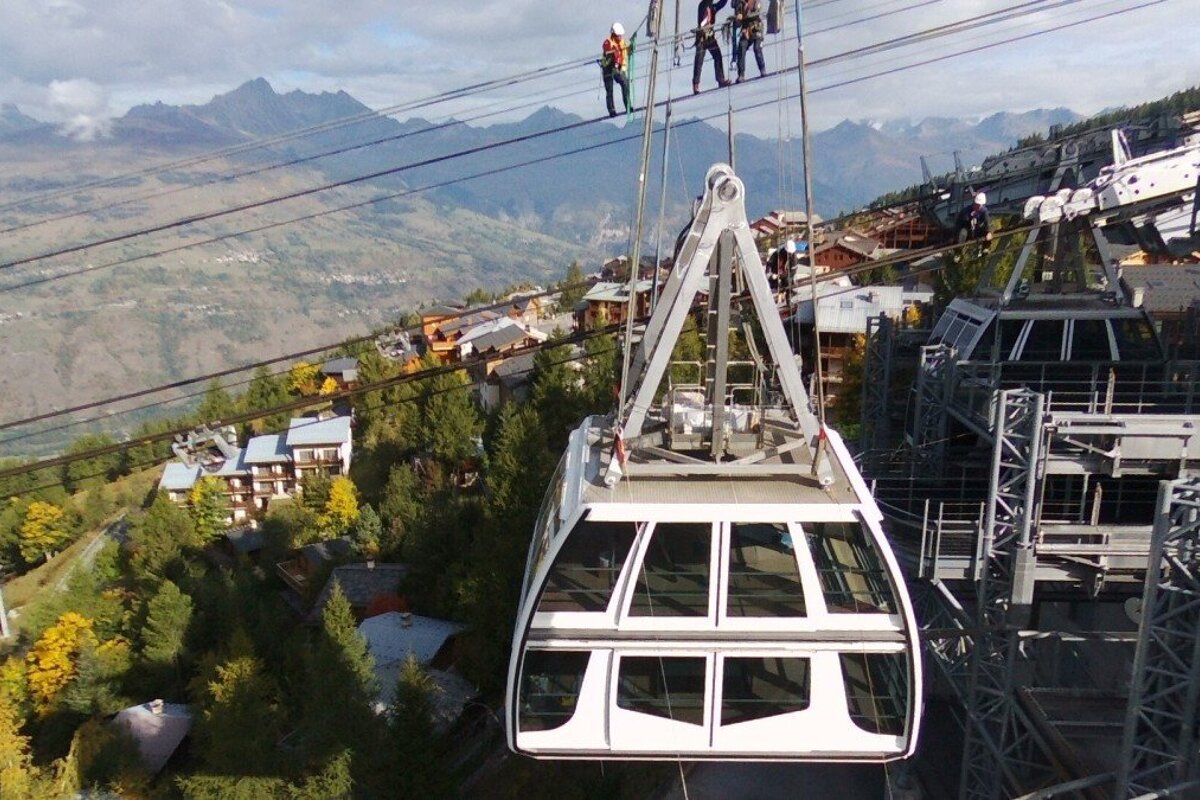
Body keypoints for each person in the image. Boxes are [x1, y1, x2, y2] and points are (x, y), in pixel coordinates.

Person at [693, 0, 731, 94]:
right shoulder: (703, 5)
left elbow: (721, 4)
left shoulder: (712, 7)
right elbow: (704, 15)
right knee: (699, 61)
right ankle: (695, 84)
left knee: (717, 56)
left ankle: (720, 79)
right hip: (702, 37)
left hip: (710, 37)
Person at [601, 23, 631, 118]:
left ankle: (628, 105)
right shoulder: (608, 42)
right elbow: (607, 51)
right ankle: (612, 110)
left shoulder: (622, 42)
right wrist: (615, 51)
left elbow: (627, 51)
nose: (620, 36)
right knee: (609, 90)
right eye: (619, 35)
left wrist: (631, 47)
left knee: (625, 83)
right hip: (608, 69)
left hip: (618, 68)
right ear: (614, 34)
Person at [733, 0, 766, 82]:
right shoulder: (739, 5)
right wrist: (738, 19)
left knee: (757, 48)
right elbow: (737, 24)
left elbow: (756, 13)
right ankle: (741, 74)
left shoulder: (755, 1)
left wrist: (743, 15)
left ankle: (762, 69)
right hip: (746, 30)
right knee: (741, 47)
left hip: (756, 28)